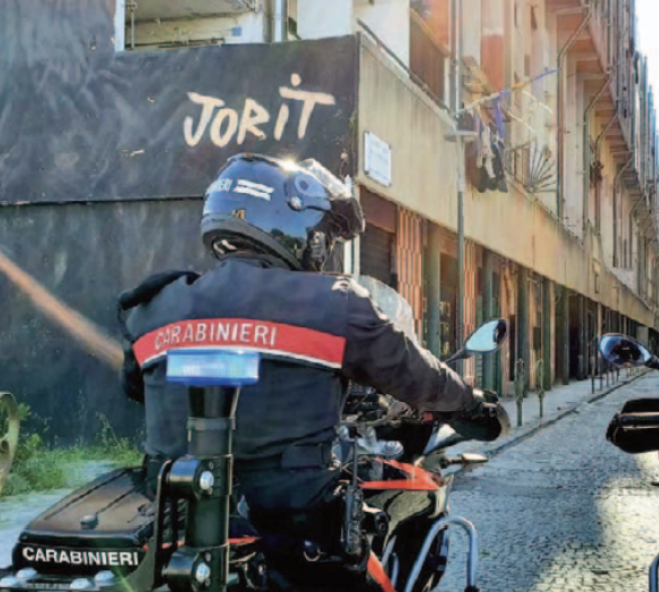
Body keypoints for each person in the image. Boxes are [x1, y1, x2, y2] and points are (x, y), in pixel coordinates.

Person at [117, 152, 505, 559]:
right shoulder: (333, 303)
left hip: (177, 517)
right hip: (297, 523)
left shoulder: (150, 307)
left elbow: (137, 389)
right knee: (373, 558)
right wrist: (470, 403)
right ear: (291, 223)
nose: (323, 246)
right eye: (323, 235)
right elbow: (417, 377)